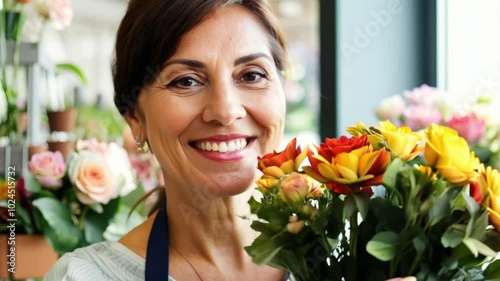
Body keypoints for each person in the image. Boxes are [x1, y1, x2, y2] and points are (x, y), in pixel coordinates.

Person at [44, 1, 417, 280]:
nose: (225, 110)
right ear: (134, 119)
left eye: (252, 75)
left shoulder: (365, 253)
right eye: (185, 81)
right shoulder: (84, 276)